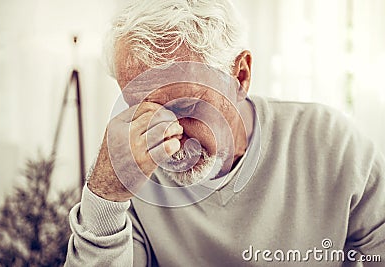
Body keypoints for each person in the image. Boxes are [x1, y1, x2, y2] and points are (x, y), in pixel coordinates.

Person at [64, 0, 385, 266]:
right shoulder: (132, 171)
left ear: (240, 76)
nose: (166, 136)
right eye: (141, 109)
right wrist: (106, 194)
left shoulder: (331, 144)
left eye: (185, 106)